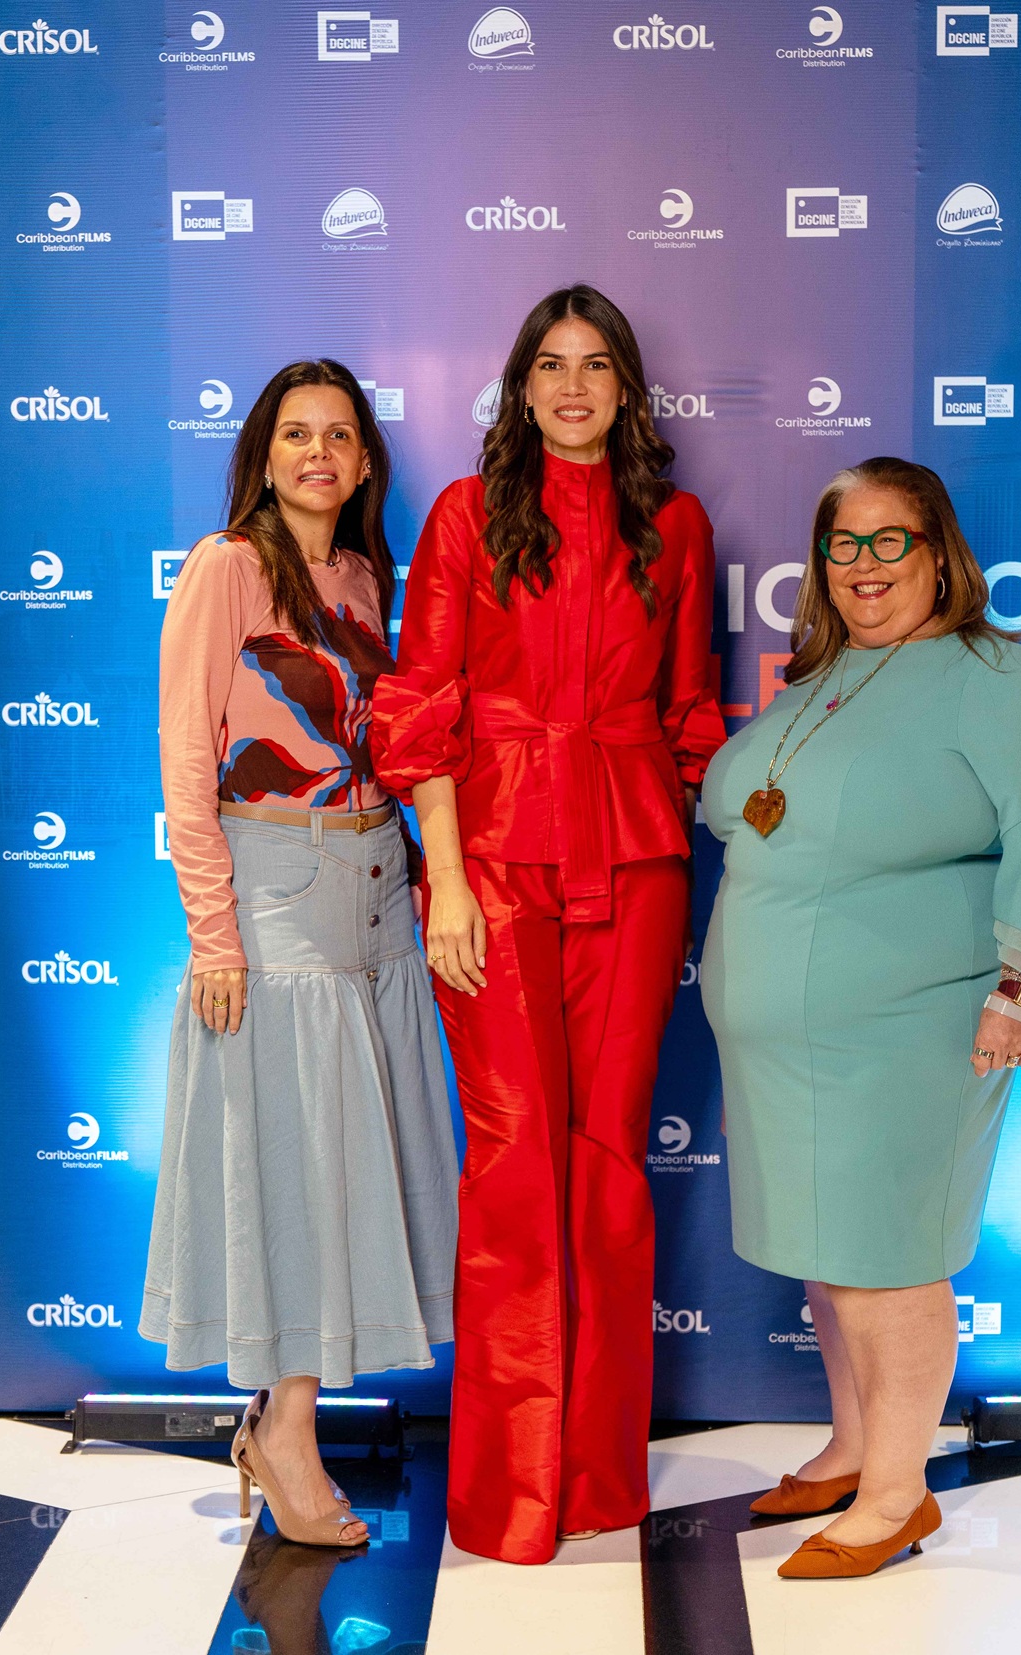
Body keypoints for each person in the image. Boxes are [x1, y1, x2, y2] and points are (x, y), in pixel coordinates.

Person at [700, 456, 1021, 1580]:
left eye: (886, 540)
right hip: (785, 1047)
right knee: (830, 1248)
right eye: (841, 544)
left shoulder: (988, 675)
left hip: (908, 1030)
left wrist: (1019, 985)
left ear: (938, 551)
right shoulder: (821, 680)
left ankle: (898, 1493)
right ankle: (853, 1445)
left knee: (889, 1255)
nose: (861, 565)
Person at [370, 285, 725, 1565]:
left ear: (627, 387)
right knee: (514, 1158)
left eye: (596, 365)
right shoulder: (470, 515)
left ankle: (599, 1475)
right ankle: (510, 1492)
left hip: (635, 858)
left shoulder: (673, 526)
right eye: (549, 365)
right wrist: (449, 881)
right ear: (519, 387)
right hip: (496, 868)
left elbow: (692, 709)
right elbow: (423, 702)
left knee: (609, 1164)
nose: (572, 385)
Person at [140, 360, 458, 1548]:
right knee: (299, 1170)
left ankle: (285, 1424)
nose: (317, 453)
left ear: (365, 459)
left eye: (338, 435)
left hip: (375, 886)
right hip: (273, 895)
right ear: (264, 455)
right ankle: (285, 1431)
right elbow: (186, 755)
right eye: (294, 435)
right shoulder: (229, 567)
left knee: (352, 1168)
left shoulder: (366, 575)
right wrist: (212, 935)